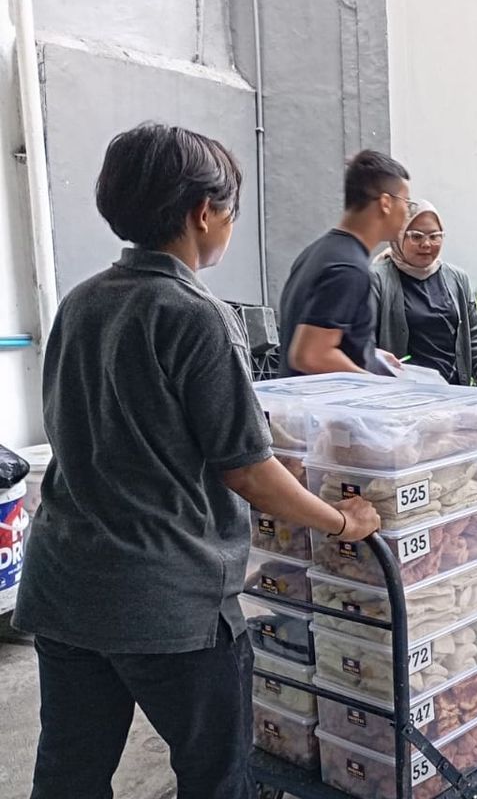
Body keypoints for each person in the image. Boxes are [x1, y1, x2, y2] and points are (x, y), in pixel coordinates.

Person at [13, 123, 381, 799]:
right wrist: (342, 521)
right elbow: (249, 475)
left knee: (70, 772)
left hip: (64, 586)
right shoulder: (196, 313)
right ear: (204, 212)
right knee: (215, 777)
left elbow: (120, 431)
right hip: (168, 602)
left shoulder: (82, 301)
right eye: (231, 210)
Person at [278, 149, 413, 376]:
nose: (408, 213)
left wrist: (370, 354)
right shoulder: (348, 268)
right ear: (386, 203)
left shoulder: (318, 252)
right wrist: (376, 385)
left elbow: (324, 336)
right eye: (407, 203)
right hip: (324, 409)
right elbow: (310, 355)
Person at [371, 200, 477, 385]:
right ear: (399, 236)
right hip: (402, 399)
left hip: (454, 395)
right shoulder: (377, 279)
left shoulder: (457, 278)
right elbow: (363, 344)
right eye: (416, 236)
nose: (426, 244)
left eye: (435, 236)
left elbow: (476, 342)